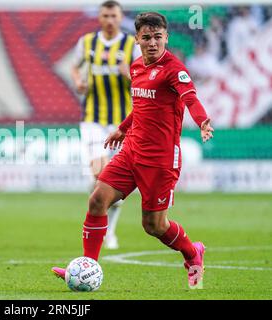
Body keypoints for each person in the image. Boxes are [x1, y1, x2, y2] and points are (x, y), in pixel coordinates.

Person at [53, 12, 214, 289]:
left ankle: (192, 252)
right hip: (131, 151)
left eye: (158, 37)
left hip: (160, 160)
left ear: (166, 37)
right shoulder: (137, 66)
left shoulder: (174, 70)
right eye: (147, 37)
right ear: (137, 39)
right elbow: (142, 107)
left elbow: (190, 98)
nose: (153, 42)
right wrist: (122, 128)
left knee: (154, 226)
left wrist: (202, 121)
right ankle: (88, 267)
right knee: (97, 200)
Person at [71, 0, 141, 250]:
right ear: (99, 18)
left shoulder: (132, 45)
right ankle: (104, 227)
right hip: (93, 120)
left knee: (114, 182)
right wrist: (79, 81)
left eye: (114, 15)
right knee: (101, 176)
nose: (109, 20)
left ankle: (109, 232)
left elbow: (144, 80)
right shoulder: (87, 42)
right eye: (105, 15)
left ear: (120, 17)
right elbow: (74, 67)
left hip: (124, 124)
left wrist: (129, 75)